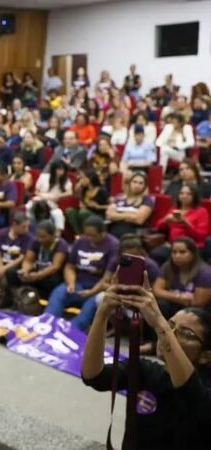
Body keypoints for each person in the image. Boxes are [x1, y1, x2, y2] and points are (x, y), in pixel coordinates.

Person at [82, 281, 211, 448]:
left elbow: (191, 393)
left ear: (206, 356)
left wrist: (159, 322)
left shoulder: (205, 393)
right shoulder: (145, 370)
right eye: (170, 326)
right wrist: (103, 312)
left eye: (185, 333)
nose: (169, 334)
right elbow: (93, 376)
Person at [45, 216, 119, 330]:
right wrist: (71, 283)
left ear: (103, 233)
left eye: (92, 235)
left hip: (98, 287)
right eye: (86, 234)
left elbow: (107, 277)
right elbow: (70, 266)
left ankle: (71, 330)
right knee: (59, 293)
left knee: (89, 308)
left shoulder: (113, 246)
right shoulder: (80, 241)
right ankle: (47, 323)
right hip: (79, 282)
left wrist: (91, 292)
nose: (88, 238)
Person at [0, 212, 32, 304]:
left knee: (11, 272)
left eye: (27, 227)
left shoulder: (28, 237)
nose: (26, 229)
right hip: (1, 262)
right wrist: (0, 267)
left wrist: (4, 268)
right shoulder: (2, 233)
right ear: (15, 225)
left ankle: (10, 295)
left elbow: (22, 257)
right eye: (23, 227)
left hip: (15, 264)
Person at [151, 184, 210, 265]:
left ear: (195, 196)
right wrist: (165, 220)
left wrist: (186, 224)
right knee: (156, 254)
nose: (184, 196)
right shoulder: (174, 209)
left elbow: (201, 236)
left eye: (188, 194)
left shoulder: (201, 212)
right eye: (181, 193)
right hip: (172, 245)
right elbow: (157, 228)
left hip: (191, 246)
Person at [11, 220, 68, 299]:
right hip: (37, 271)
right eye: (38, 236)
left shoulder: (61, 244)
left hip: (52, 275)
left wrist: (38, 275)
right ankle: (15, 298)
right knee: (13, 273)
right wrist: (25, 270)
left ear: (52, 235)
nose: (40, 239)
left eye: (43, 237)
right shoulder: (35, 241)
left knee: (50, 280)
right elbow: (28, 260)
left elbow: (55, 266)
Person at [25, 159, 72, 233]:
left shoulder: (65, 180)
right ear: (54, 169)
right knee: (28, 208)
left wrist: (57, 195)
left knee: (58, 214)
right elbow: (36, 191)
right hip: (40, 199)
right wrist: (44, 196)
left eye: (63, 170)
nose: (61, 172)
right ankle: (31, 232)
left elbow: (69, 192)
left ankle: (57, 235)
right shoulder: (43, 177)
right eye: (59, 170)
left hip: (52, 202)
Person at [106, 172, 154, 238]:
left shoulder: (147, 200)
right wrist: (131, 214)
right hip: (112, 230)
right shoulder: (119, 197)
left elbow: (139, 220)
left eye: (141, 183)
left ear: (144, 186)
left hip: (133, 234)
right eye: (134, 182)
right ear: (129, 183)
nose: (137, 185)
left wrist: (117, 215)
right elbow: (109, 215)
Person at [65, 168, 110, 236]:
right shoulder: (84, 190)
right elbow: (75, 193)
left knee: (83, 212)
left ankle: (87, 234)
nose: (81, 180)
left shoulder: (101, 190)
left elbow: (111, 206)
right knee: (69, 211)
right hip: (84, 212)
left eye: (83, 178)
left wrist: (98, 206)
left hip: (98, 214)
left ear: (90, 178)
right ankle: (79, 234)